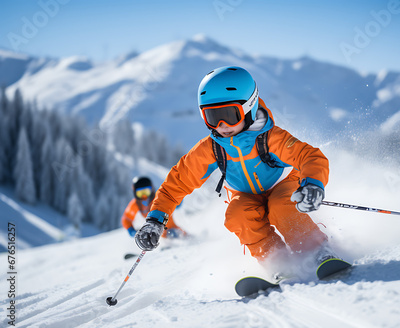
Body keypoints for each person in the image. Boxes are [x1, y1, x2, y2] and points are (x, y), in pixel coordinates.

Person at [135, 66, 335, 276]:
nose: (222, 125)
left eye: (229, 115)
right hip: (245, 194)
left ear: (249, 107)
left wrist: (313, 183)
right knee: (237, 215)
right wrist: (155, 220)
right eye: (212, 117)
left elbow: (310, 157)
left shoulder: (270, 138)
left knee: (281, 206)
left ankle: (317, 251)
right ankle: (278, 263)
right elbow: (177, 183)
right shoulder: (212, 147)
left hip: (283, 186)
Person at [122, 176, 186, 240]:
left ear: (151, 190)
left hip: (173, 230)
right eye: (140, 193)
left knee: (177, 236)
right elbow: (126, 219)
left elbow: (171, 200)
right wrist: (131, 230)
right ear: (135, 193)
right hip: (159, 238)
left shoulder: (159, 198)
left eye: (146, 192)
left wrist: (177, 202)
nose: (144, 196)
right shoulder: (136, 204)